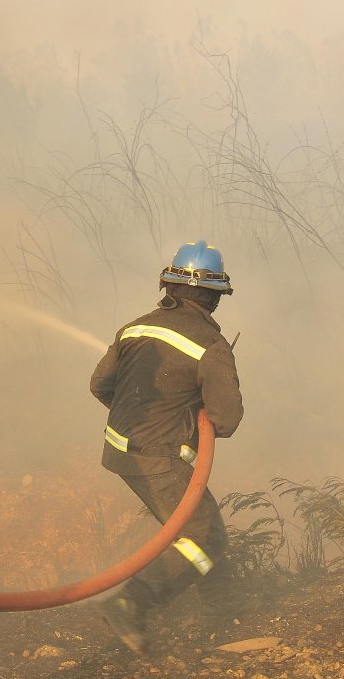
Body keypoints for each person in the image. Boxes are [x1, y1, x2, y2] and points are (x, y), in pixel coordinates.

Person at [90, 240, 244, 653]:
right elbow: (226, 419)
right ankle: (129, 602)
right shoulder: (212, 346)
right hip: (158, 458)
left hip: (119, 452)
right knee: (203, 534)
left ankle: (221, 609)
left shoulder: (135, 327)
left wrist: (144, 409)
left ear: (170, 286)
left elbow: (100, 385)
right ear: (214, 295)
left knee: (198, 526)